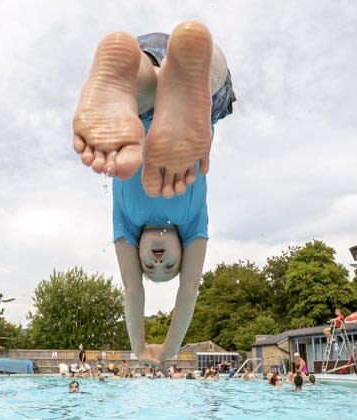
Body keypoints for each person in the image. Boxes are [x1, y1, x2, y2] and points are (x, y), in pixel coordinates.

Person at [72, 20, 235, 367]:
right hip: (202, 78)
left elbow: (132, 291)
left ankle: (132, 72)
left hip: (144, 71)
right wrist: (170, 349)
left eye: (149, 265)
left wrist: (140, 347)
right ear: (182, 249)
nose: (157, 261)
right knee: (212, 98)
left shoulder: (125, 226)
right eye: (170, 264)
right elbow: (188, 292)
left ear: (138, 256)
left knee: (144, 93)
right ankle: (179, 88)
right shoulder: (193, 225)